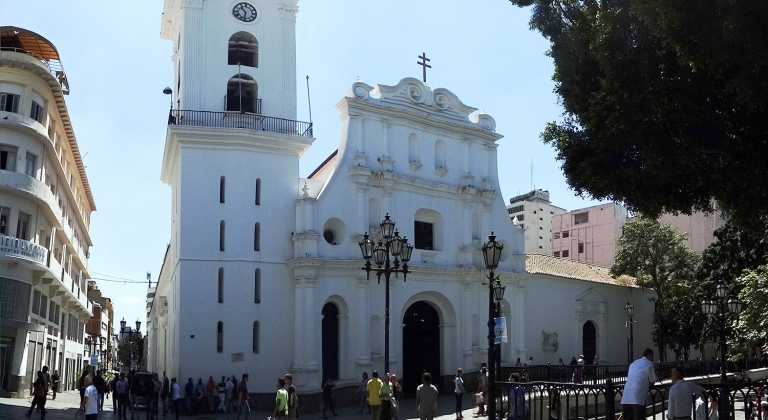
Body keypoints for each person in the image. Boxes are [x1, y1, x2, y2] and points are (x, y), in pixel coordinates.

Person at [621, 349, 658, 420]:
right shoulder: (649, 363)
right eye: (652, 356)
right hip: (638, 398)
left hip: (626, 397)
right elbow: (652, 380)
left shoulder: (633, 363)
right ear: (649, 355)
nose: (652, 358)